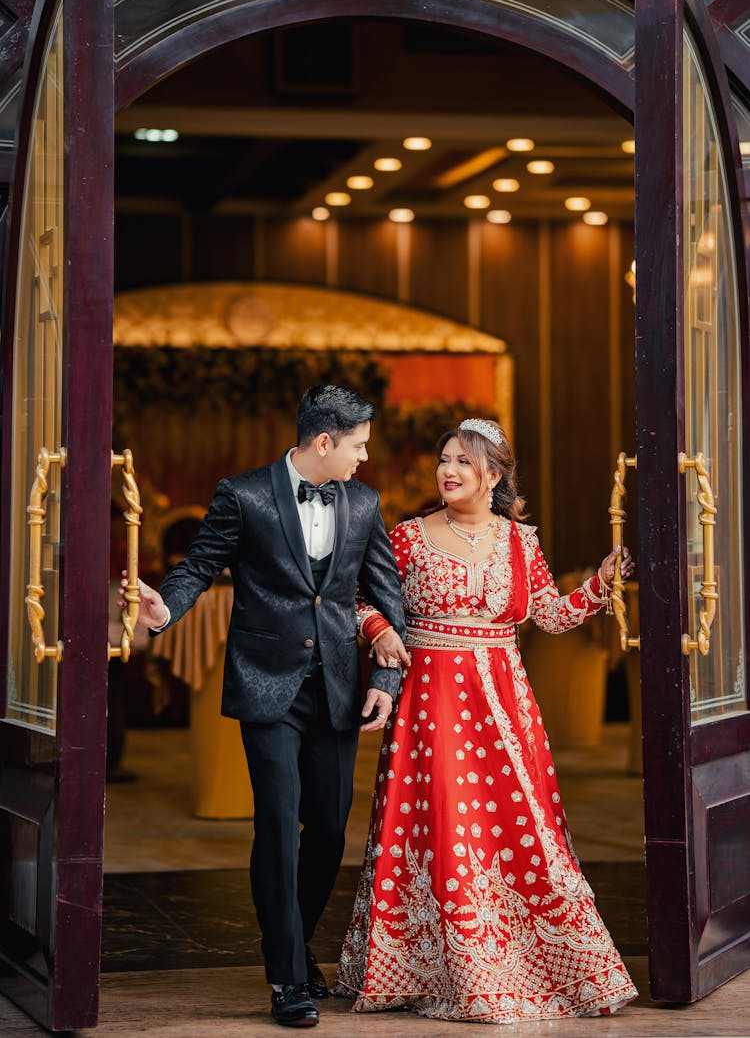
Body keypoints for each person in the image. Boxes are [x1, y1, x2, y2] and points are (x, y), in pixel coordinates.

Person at [334, 417, 639, 1023]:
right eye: (444, 459)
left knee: (519, 824)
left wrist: (603, 581)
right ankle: (451, 968)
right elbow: (358, 598)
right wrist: (381, 631)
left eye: (463, 462)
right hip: (431, 702)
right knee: (446, 821)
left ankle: (537, 967)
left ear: (493, 475)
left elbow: (549, 615)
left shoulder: (522, 542)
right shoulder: (408, 539)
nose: (448, 471)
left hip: (506, 702)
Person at [131, 385, 410, 1029]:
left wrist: (384, 684)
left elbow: (385, 599)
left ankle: (298, 941)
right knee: (279, 829)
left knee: (330, 829)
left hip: (338, 688)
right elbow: (198, 566)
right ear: (323, 442)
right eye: (359, 445)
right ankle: (286, 974)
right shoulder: (245, 494)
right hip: (267, 686)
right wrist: (167, 607)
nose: (364, 458)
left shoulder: (365, 504)